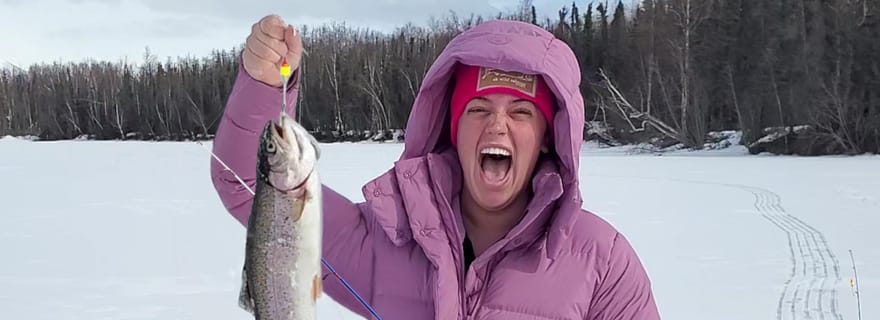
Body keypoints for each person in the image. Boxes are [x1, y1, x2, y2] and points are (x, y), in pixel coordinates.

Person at [210, 14, 661, 320]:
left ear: (548, 136)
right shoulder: (383, 240)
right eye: (478, 109)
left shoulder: (602, 262)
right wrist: (264, 85)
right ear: (453, 128)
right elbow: (247, 183)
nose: (497, 127)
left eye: (522, 113)